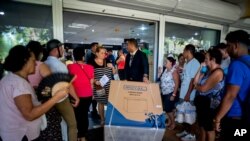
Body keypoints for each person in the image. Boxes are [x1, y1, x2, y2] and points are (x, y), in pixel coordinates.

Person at [0, 45, 68, 141]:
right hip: (22, 135)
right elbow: (30, 114)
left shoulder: (10, 78)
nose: (36, 64)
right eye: (33, 61)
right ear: (25, 61)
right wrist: (56, 98)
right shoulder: (19, 84)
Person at [214, 30, 250, 141]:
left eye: (228, 46)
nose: (227, 50)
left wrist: (218, 119)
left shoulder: (237, 65)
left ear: (235, 45)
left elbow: (230, 96)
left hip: (235, 117)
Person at [44, 39, 79, 141]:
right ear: (56, 49)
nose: (63, 50)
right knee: (72, 124)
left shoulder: (44, 63)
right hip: (61, 99)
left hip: (48, 100)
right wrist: (76, 98)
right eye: (61, 48)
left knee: (60, 124)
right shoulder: (60, 65)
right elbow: (68, 84)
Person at [193, 48, 224, 141]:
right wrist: (200, 69)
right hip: (203, 103)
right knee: (202, 127)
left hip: (210, 105)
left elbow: (203, 89)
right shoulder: (208, 71)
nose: (204, 60)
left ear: (213, 59)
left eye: (206, 58)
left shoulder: (218, 72)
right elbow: (195, 81)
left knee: (209, 129)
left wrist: (196, 86)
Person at [67, 47, 94, 141]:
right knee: (84, 115)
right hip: (88, 96)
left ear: (74, 56)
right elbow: (91, 83)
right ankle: (83, 136)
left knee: (77, 116)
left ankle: (78, 135)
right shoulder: (90, 67)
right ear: (83, 56)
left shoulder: (70, 67)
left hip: (76, 96)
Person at [176, 44, 200, 141]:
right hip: (183, 92)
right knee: (184, 114)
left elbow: (193, 80)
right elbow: (185, 77)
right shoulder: (186, 63)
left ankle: (192, 134)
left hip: (189, 95)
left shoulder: (195, 63)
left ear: (188, 51)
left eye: (184, 50)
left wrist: (188, 94)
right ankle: (186, 131)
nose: (183, 53)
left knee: (191, 116)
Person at [89, 46, 114, 126]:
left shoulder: (107, 61)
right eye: (102, 53)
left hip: (109, 85)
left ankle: (109, 119)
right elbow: (89, 75)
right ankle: (102, 119)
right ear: (97, 53)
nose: (104, 54)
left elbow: (113, 73)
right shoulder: (91, 62)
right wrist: (95, 81)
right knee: (100, 102)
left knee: (110, 102)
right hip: (99, 86)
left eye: (105, 53)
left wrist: (112, 67)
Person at [160, 57, 180, 130]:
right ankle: (170, 122)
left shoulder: (173, 71)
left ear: (171, 62)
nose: (165, 62)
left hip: (170, 93)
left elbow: (177, 83)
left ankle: (173, 123)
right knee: (166, 109)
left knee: (168, 109)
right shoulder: (165, 70)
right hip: (164, 93)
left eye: (166, 61)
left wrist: (173, 95)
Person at [86, 42, 100, 120]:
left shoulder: (95, 55)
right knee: (92, 95)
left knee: (95, 96)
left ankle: (93, 110)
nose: (97, 48)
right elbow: (89, 66)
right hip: (92, 77)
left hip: (96, 77)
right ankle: (92, 110)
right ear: (92, 47)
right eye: (96, 46)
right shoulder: (89, 54)